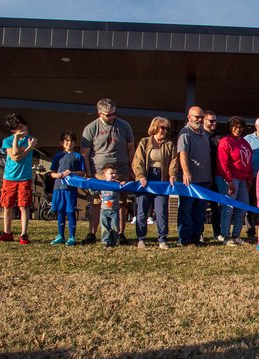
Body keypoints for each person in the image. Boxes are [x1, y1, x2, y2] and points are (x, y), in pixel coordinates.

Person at [81, 99, 135, 244]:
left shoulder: (124, 126)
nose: (112, 117)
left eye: (114, 114)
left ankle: (120, 234)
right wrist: (90, 174)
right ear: (99, 114)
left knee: (121, 203)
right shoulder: (91, 128)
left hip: (121, 171)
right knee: (97, 203)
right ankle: (92, 233)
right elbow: (85, 154)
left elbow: (131, 149)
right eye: (108, 115)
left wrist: (131, 169)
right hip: (99, 173)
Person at [133, 117, 178, 250]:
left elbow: (173, 162)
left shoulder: (169, 144)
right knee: (142, 210)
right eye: (162, 128)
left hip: (162, 181)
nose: (164, 131)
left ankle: (162, 239)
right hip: (146, 180)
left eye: (166, 129)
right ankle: (141, 238)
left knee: (161, 210)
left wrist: (172, 175)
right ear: (155, 127)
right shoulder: (144, 142)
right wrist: (140, 176)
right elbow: (137, 161)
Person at [0, 114, 37, 244]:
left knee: (24, 205)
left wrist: (27, 146)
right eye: (19, 128)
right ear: (13, 130)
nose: (23, 130)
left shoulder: (32, 139)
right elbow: (15, 156)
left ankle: (24, 234)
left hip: (25, 177)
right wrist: (28, 147)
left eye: (23, 126)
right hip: (9, 177)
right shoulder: (7, 140)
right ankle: (7, 232)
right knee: (7, 205)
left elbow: (17, 154)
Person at [176, 106, 212, 247]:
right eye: (197, 117)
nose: (200, 120)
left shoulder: (204, 133)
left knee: (200, 212)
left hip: (204, 179)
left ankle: (196, 237)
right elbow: (182, 154)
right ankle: (185, 239)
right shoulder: (185, 133)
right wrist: (186, 172)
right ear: (189, 117)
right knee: (186, 210)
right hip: (190, 181)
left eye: (202, 117)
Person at [217, 116, 252, 246]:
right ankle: (225, 235)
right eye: (235, 127)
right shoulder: (225, 141)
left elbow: (248, 163)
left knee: (243, 207)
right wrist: (229, 180)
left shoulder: (245, 143)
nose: (237, 129)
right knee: (228, 207)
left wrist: (249, 178)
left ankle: (236, 235)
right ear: (231, 127)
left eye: (240, 127)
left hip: (243, 179)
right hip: (229, 178)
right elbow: (222, 163)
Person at [48, 130, 85, 246]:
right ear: (62, 142)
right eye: (67, 140)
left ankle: (72, 237)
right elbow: (52, 173)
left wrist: (73, 173)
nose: (69, 143)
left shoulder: (78, 156)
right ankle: (60, 236)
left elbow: (82, 172)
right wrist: (56, 175)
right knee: (60, 212)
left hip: (70, 189)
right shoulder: (57, 156)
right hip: (58, 188)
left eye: (72, 141)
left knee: (70, 211)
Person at [203, 110, 223, 241]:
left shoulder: (219, 138)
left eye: (215, 120)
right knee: (200, 206)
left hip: (216, 177)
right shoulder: (199, 136)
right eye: (211, 121)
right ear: (204, 121)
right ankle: (199, 233)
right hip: (202, 176)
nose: (214, 123)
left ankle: (217, 233)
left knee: (217, 207)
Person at [99, 165, 122, 248]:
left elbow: (125, 187)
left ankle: (113, 242)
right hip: (104, 210)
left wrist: (123, 184)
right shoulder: (101, 184)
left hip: (114, 210)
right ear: (105, 175)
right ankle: (105, 242)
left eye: (115, 173)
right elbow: (93, 190)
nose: (113, 175)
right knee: (104, 227)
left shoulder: (117, 185)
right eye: (111, 173)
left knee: (115, 227)